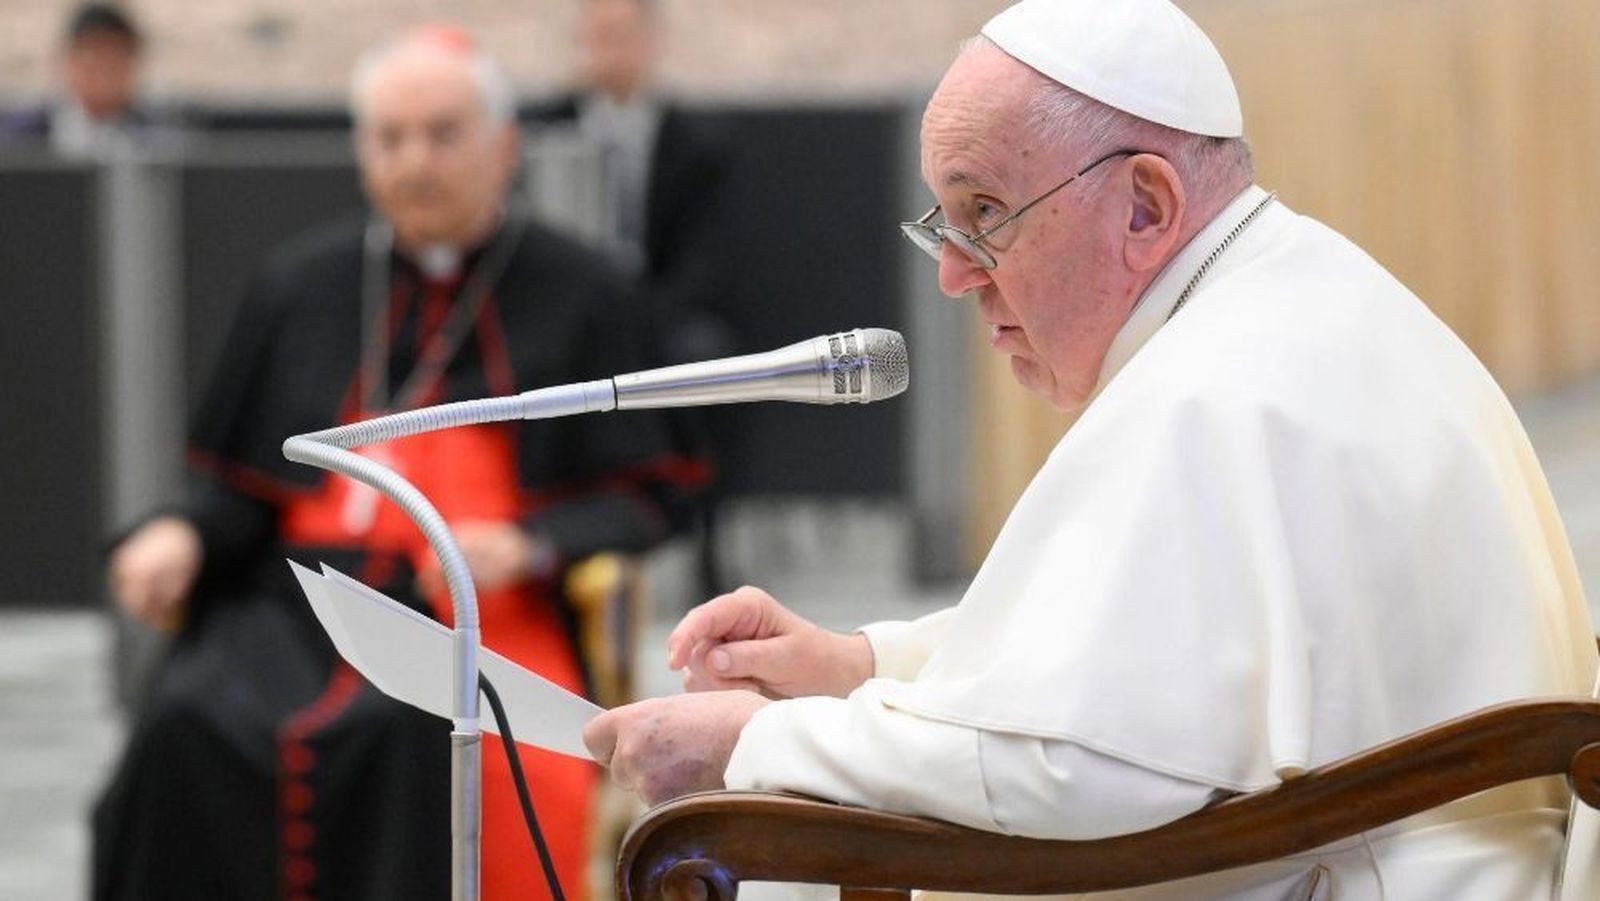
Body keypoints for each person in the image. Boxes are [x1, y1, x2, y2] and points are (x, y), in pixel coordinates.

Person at [581, 1, 1599, 897]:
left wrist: (759, 746)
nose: (953, 277)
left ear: (1146, 206)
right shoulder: (1289, 304)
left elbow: (1091, 770)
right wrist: (858, 665)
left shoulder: (1225, 387)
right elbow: (1153, 660)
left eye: (985, 214)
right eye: (942, 221)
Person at [93, 26, 702, 901]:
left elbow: (654, 495)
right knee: (186, 722)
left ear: (504, 146)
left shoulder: (588, 290)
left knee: (413, 732)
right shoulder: (298, 285)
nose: (415, 162)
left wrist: (530, 543)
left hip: (473, 604)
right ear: (362, 151)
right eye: (390, 138)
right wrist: (179, 533)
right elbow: (237, 484)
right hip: (294, 596)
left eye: (443, 134)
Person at [529, 0, 736, 593]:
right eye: (594, 37)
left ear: (651, 41)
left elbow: (704, 261)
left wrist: (639, 321)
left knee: (710, 357)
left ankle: (703, 539)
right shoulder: (543, 128)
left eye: (618, 37)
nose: (606, 53)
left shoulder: (695, 145)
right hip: (566, 312)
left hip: (659, 315)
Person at [0, 3, 180, 158]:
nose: (104, 78)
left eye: (115, 65)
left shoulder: (160, 141)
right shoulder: (20, 139)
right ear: (67, 61)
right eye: (93, 62)